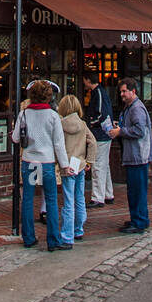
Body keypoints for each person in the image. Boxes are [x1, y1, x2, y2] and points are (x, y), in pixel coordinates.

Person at [12, 80, 73, 251]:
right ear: (49, 96)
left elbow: (16, 138)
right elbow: (59, 144)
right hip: (46, 163)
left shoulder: (23, 114)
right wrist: (65, 165)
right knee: (52, 200)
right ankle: (53, 240)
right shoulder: (53, 116)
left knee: (28, 199)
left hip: (30, 161)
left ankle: (29, 237)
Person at [109, 78, 152, 233]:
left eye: (124, 91)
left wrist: (121, 131)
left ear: (133, 91)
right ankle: (139, 218)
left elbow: (140, 130)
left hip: (138, 156)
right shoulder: (129, 108)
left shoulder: (136, 109)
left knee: (137, 191)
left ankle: (139, 222)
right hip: (133, 155)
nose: (121, 94)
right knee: (134, 190)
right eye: (120, 91)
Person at [56, 93, 97, 244]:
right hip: (79, 164)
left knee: (68, 200)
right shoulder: (83, 125)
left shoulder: (60, 124)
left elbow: (58, 145)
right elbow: (93, 142)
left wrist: (58, 162)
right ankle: (79, 229)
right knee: (80, 197)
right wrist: (89, 162)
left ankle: (67, 234)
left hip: (67, 165)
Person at [83, 73, 116, 207]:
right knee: (104, 165)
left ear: (89, 79)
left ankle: (97, 198)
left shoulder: (99, 93)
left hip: (100, 135)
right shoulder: (98, 92)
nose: (84, 83)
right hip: (103, 134)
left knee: (97, 165)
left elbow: (103, 114)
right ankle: (108, 194)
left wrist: (91, 124)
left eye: (84, 80)